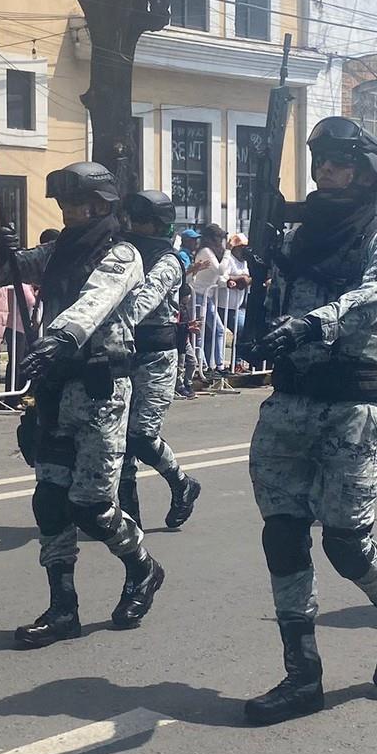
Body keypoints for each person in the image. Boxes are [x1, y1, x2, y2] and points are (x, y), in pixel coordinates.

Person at [244, 116, 377, 726]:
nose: (325, 170)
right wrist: (259, 293)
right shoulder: (295, 235)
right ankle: (303, 675)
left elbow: (374, 295)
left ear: (366, 171)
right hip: (290, 399)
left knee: (347, 543)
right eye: (319, 160)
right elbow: (272, 294)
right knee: (282, 535)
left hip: (350, 405)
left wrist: (314, 320)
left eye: (339, 162)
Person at [0, 162, 165, 648]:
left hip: (100, 389)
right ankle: (63, 608)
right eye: (62, 203)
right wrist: (1, 248)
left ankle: (142, 567)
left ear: (101, 205)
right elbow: (2, 274)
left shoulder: (122, 253)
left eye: (75, 203)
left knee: (93, 507)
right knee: (49, 500)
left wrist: (61, 337)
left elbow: (97, 299)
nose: (66, 212)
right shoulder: (59, 249)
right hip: (56, 389)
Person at [116, 189, 202, 530]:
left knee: (141, 435)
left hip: (156, 356)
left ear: (158, 225)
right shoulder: (122, 253)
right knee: (119, 437)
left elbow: (142, 302)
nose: (134, 227)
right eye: (132, 220)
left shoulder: (169, 261)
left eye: (142, 222)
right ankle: (128, 514)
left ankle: (182, 483)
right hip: (124, 353)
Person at [188, 223, 226, 372]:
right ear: (210, 238)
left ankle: (217, 365)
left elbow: (221, 275)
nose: (221, 240)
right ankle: (202, 366)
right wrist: (228, 252)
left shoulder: (212, 252)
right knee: (200, 332)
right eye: (218, 237)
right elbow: (220, 270)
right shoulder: (206, 251)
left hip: (205, 296)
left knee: (218, 329)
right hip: (198, 295)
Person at [218, 233, 252, 368]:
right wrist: (239, 279)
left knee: (244, 331)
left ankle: (238, 362)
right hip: (225, 305)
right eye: (242, 247)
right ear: (236, 248)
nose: (244, 250)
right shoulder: (229, 260)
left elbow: (248, 279)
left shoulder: (244, 262)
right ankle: (235, 363)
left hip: (239, 305)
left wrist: (241, 279)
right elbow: (223, 276)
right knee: (241, 330)